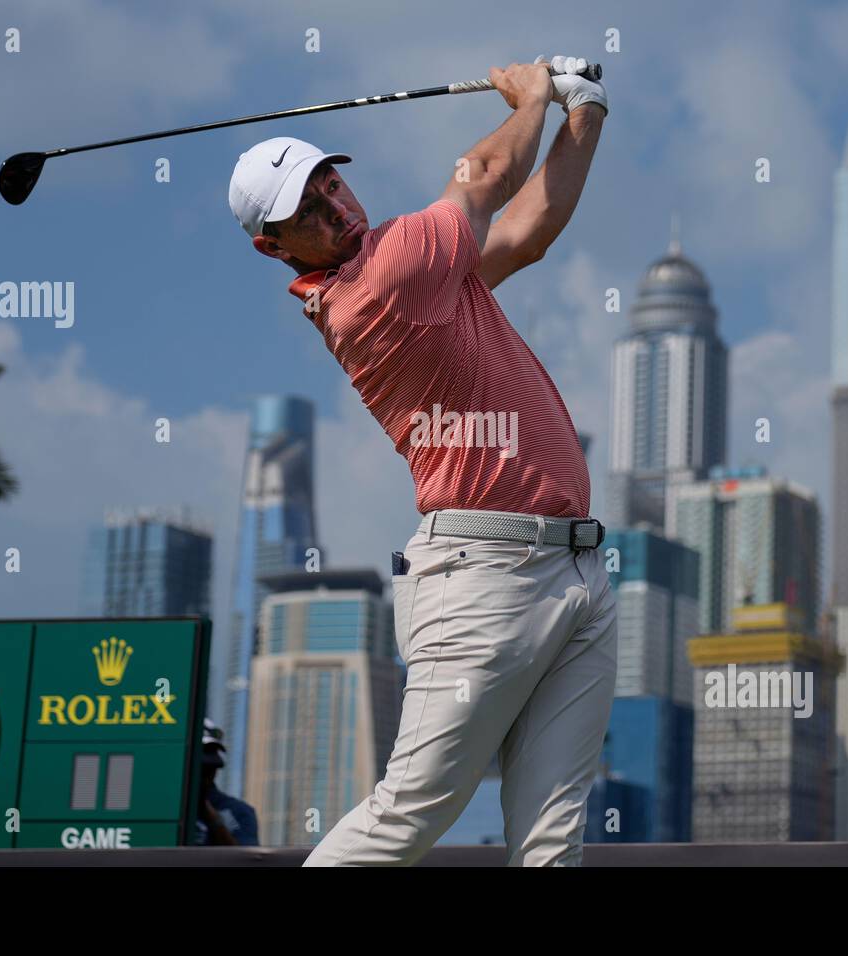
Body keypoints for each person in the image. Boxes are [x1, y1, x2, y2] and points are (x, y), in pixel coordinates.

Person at [227, 55, 613, 866]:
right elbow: (488, 173)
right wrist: (533, 90)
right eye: (308, 208)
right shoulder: (385, 279)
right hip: (485, 578)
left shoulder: (428, 276)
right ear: (274, 247)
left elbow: (527, 232)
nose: (335, 205)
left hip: (574, 568)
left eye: (331, 183)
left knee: (553, 840)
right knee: (408, 815)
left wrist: (586, 111)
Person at [195, 718, 259, 846]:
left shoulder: (239, 811)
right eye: (203, 768)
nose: (209, 773)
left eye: (211, 768)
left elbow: (245, 862)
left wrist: (212, 818)